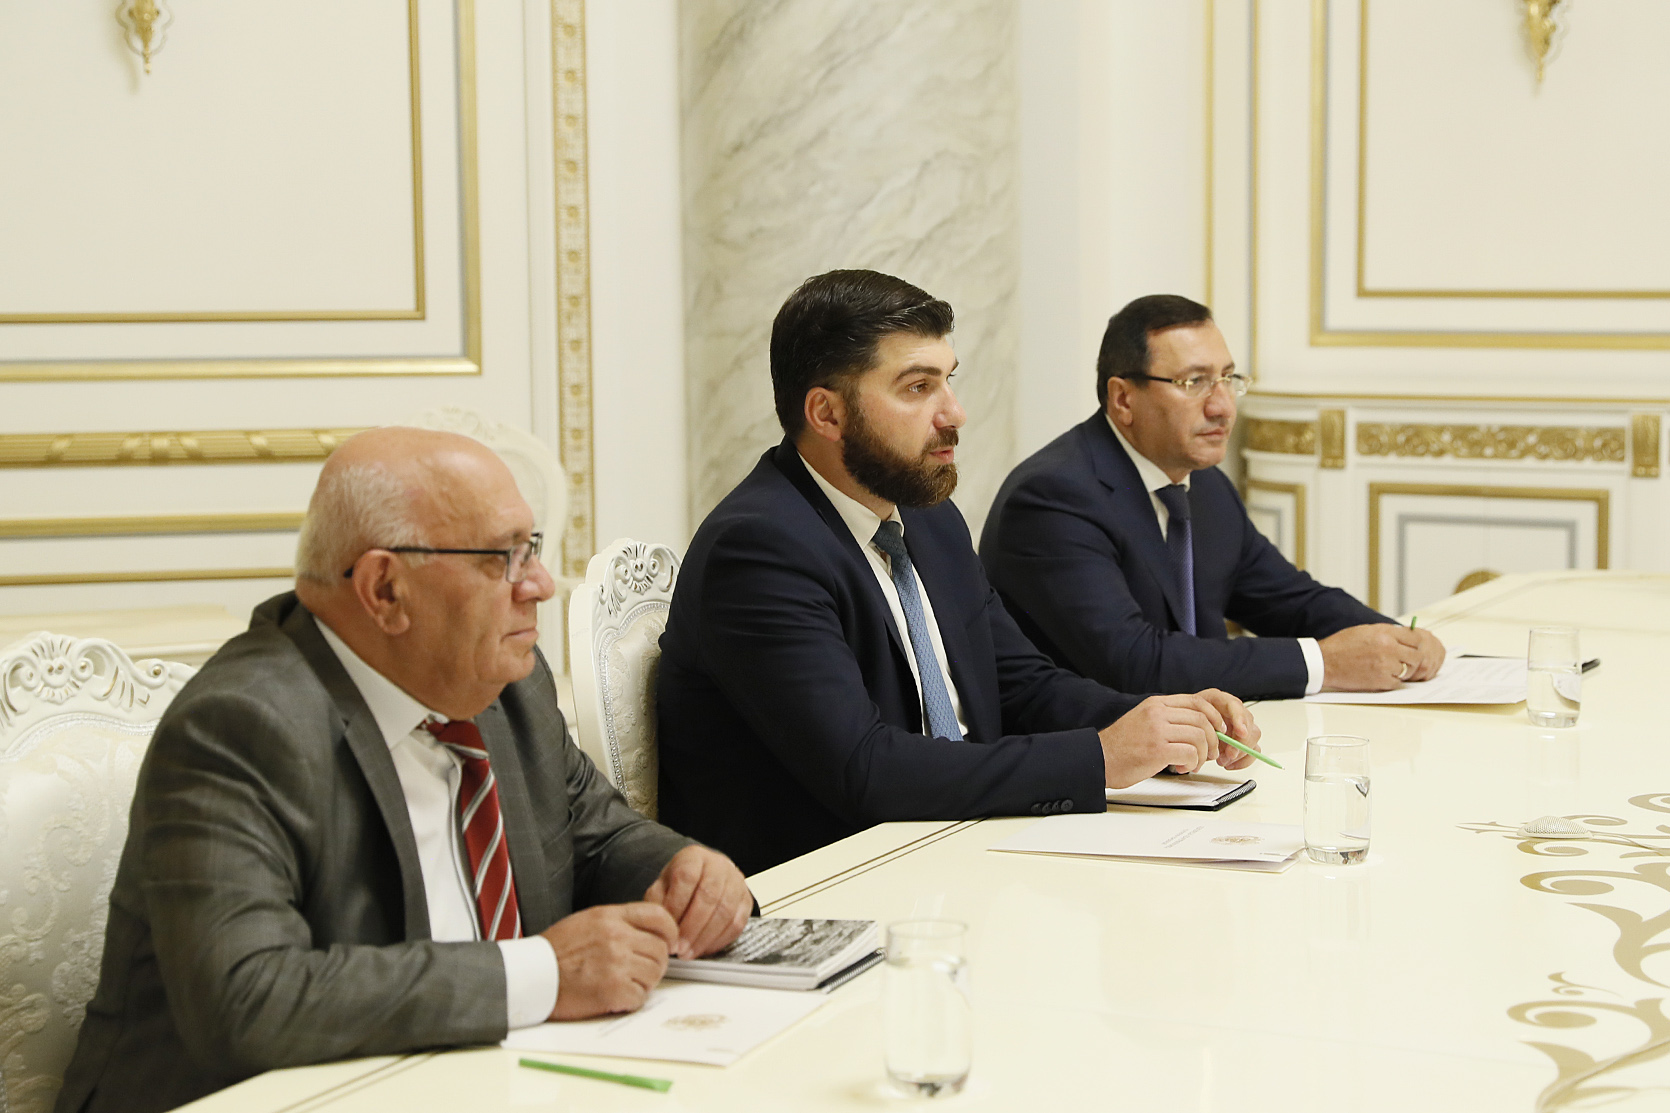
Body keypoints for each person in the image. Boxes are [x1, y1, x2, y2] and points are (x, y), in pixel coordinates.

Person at [56, 428, 753, 1113]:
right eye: (504, 557)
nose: (541, 584)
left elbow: (594, 830)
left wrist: (683, 868)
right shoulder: (240, 726)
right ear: (385, 589)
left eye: (532, 548)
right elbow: (246, 998)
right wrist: (543, 972)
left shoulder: (502, 682)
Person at [656, 270, 1261, 876]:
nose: (955, 413)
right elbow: (865, 770)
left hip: (955, 844)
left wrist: (1162, 722)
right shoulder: (759, 548)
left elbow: (1022, 684)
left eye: (949, 380)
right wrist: (1102, 757)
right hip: (834, 880)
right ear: (827, 413)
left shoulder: (928, 518)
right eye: (918, 388)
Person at [980, 294, 1445, 701]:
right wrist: (1323, 663)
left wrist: (1396, 639)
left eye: (1227, 378)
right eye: (1194, 382)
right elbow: (1133, 663)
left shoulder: (1204, 484)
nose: (1222, 406)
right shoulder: (1053, 499)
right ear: (1123, 400)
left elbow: (1290, 599)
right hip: (1090, 755)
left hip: (1196, 743)